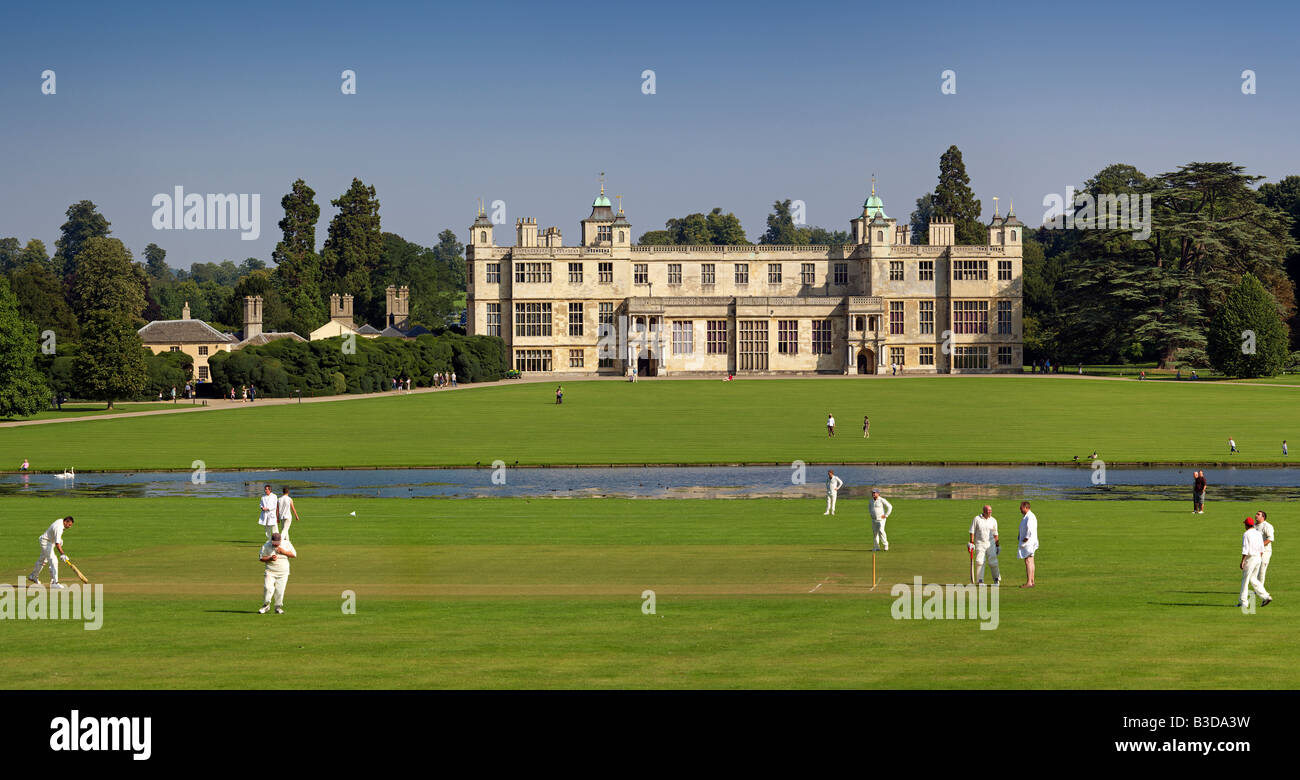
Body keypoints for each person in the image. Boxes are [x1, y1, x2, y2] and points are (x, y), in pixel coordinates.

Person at [28, 516, 75, 589]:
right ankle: (55, 582)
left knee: (42, 560)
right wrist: (62, 554)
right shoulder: (58, 528)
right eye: (69, 525)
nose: (70, 527)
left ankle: (33, 576)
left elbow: (57, 540)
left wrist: (60, 542)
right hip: (46, 542)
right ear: (65, 522)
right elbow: (57, 544)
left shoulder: (60, 520)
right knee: (54, 561)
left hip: (49, 541)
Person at [258, 532, 296, 614]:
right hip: (270, 571)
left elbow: (294, 555)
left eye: (277, 543)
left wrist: (284, 552)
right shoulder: (266, 545)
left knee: (280, 590)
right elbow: (261, 558)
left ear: (280, 540)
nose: (276, 545)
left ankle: (278, 607)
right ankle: (266, 606)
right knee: (268, 588)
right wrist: (270, 558)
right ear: (271, 540)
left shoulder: (286, 544)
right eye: (274, 543)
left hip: (283, 572)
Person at [1239, 517, 1271, 608]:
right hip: (1258, 557)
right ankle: (1266, 596)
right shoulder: (1258, 533)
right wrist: (1259, 558)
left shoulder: (1246, 534)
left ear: (1246, 525)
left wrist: (1242, 561)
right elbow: (1261, 547)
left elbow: (1245, 549)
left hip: (1251, 558)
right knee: (1253, 579)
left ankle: (1243, 602)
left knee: (1245, 580)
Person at [969, 505, 1000, 585]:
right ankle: (980, 580)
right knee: (980, 561)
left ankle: (996, 579)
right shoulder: (977, 519)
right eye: (988, 510)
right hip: (980, 543)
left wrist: (997, 545)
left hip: (991, 544)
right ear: (984, 511)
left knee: (993, 562)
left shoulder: (993, 520)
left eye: (990, 510)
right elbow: (972, 532)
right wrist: (971, 543)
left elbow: (995, 534)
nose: (990, 512)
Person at [1017, 500, 1038, 588]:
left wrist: (1025, 539)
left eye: (1021, 508)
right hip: (1031, 541)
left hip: (1028, 542)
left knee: (1028, 561)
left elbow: (1029, 530)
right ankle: (1032, 580)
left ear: (1026, 507)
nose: (1020, 510)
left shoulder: (1030, 517)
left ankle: (1029, 582)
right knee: (1031, 561)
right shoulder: (1027, 516)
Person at [1255, 510, 1275, 587]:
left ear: (1263, 517)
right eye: (1256, 514)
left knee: (1261, 570)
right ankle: (1257, 588)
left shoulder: (1267, 526)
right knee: (1254, 570)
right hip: (1255, 551)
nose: (1256, 515)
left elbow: (1270, 539)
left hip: (1265, 552)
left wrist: (1260, 546)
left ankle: (1260, 589)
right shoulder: (1254, 525)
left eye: (1258, 514)